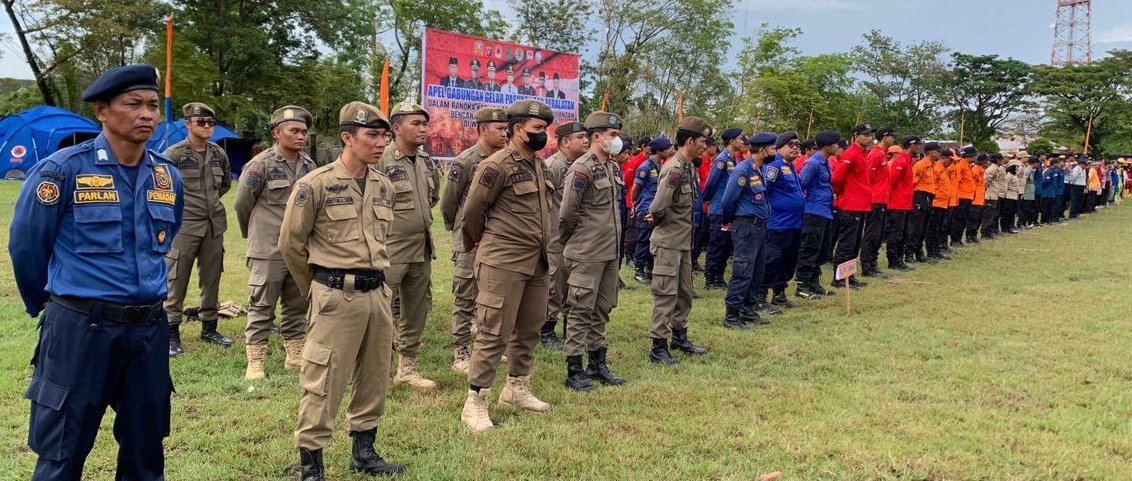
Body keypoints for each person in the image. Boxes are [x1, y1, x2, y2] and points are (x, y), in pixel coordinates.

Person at [10, 64, 183, 480]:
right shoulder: (62, 170)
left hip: (148, 331)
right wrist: (52, 305)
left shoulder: (167, 175)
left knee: (145, 453)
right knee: (62, 451)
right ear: (102, 111)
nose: (147, 114)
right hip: (81, 329)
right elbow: (27, 245)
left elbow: (170, 233)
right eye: (133, 104)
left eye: (152, 105)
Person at [280, 102, 406, 480]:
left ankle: (363, 452)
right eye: (372, 135)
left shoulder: (384, 186)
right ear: (347, 138)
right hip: (335, 294)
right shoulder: (315, 185)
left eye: (384, 136)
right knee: (323, 380)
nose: (381, 143)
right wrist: (320, 289)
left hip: (377, 294)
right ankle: (312, 465)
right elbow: (291, 244)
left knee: (375, 375)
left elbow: (383, 239)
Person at [459, 99, 556, 433]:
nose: (544, 134)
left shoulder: (539, 165)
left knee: (529, 327)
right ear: (517, 129)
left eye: (545, 129)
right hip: (503, 261)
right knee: (493, 332)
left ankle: (516, 388)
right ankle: (475, 401)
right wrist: (486, 247)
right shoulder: (496, 165)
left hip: (537, 261)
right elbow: (472, 211)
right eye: (538, 128)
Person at [235, 105, 316, 380]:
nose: (301, 136)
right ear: (276, 133)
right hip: (267, 248)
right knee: (262, 304)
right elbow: (242, 204)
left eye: (303, 131)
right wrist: (255, 235)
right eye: (294, 131)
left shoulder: (308, 166)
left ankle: (295, 353)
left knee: (297, 302)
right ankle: (256, 359)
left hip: (298, 248)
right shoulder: (260, 165)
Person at [559, 111, 626, 391]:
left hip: (609, 252)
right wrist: (573, 242)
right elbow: (566, 213)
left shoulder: (612, 167)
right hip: (586, 252)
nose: (617, 140)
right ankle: (575, 368)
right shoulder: (581, 168)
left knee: (602, 308)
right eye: (613, 135)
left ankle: (597, 364)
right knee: (580, 310)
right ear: (597, 137)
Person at [439, 107, 508, 374]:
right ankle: (461, 350)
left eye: (506, 129)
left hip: (495, 239)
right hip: (469, 239)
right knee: (465, 295)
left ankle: (484, 347)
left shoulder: (505, 159)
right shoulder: (465, 161)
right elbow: (449, 203)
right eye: (499, 129)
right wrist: (459, 231)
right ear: (482, 130)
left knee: (490, 295)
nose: (505, 134)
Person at [163, 102, 234, 356]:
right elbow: (163, 187)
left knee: (212, 277)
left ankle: (209, 327)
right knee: (177, 279)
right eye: (200, 122)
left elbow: (224, 184)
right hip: (184, 225)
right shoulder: (174, 154)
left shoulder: (218, 153)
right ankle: (171, 332)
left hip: (214, 225)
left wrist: (208, 206)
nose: (206, 126)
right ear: (187, 124)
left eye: (210, 123)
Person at [379, 101, 441, 390]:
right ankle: (377, 369)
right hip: (390, 248)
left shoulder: (427, 161)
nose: (423, 129)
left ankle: (407, 367)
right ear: (396, 128)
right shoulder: (382, 160)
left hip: (421, 246)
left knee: (416, 309)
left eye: (425, 124)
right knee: (380, 309)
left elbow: (433, 198)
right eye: (415, 124)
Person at [645, 117, 712, 365]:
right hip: (668, 242)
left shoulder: (688, 167)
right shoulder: (674, 168)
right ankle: (658, 345)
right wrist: (657, 217)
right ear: (690, 140)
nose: (705, 146)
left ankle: (679, 336)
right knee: (666, 294)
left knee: (684, 292)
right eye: (703, 141)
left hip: (683, 242)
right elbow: (658, 205)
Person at [718, 132, 776, 330]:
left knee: (757, 271)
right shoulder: (742, 170)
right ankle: (732, 315)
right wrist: (729, 222)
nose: (774, 152)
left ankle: (748, 309)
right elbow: (728, 201)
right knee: (742, 271)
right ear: (762, 150)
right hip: (746, 227)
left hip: (759, 227)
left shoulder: (759, 169)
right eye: (772, 149)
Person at [542, 121, 589, 349]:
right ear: (565, 142)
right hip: (556, 237)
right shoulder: (553, 166)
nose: (586, 141)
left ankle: (570, 326)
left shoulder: (582, 166)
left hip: (577, 237)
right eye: (580, 137)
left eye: (586, 136)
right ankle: (546, 329)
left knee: (574, 284)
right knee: (555, 284)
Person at [759, 131, 805, 310]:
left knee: (788, 261)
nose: (795, 148)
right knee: (772, 261)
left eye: (797, 145)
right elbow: (764, 190)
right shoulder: (774, 166)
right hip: (778, 224)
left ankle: (779, 294)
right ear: (779, 148)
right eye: (791, 145)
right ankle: (760, 296)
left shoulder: (791, 166)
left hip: (794, 223)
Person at [793, 131, 839, 299]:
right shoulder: (813, 163)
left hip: (825, 211)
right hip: (813, 212)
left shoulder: (825, 162)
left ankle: (814, 282)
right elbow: (800, 185)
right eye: (835, 143)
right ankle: (802, 285)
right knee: (809, 248)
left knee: (821, 250)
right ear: (827, 146)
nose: (838, 146)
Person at [830, 124, 874, 289]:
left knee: (855, 244)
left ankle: (849, 276)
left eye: (870, 135)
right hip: (850, 204)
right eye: (865, 134)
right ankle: (839, 278)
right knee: (847, 243)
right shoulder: (851, 153)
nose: (869, 138)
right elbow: (836, 178)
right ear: (856, 135)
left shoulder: (862, 153)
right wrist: (842, 193)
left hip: (860, 204)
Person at [702, 127, 744, 290]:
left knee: (726, 246)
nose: (742, 141)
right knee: (716, 245)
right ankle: (710, 278)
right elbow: (711, 183)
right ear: (732, 141)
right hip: (719, 209)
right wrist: (708, 199)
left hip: (729, 210)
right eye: (740, 138)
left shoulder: (733, 159)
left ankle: (719, 276)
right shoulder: (722, 160)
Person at [631, 137, 672, 284]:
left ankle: (649, 269)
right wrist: (635, 203)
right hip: (645, 209)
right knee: (643, 241)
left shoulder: (660, 166)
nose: (669, 151)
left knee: (653, 241)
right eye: (667, 149)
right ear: (659, 150)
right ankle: (638, 270)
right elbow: (635, 189)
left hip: (655, 208)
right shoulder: (645, 167)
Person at [859, 126, 896, 278]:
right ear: (884, 137)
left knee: (878, 234)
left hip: (882, 199)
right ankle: (867, 266)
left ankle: (872, 263)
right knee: (872, 234)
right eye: (891, 136)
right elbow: (869, 178)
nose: (893, 139)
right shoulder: (875, 154)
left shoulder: (882, 154)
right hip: (875, 200)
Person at [886, 137, 917, 271]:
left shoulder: (907, 160)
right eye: (917, 145)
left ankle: (899, 259)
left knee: (903, 233)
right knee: (896, 234)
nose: (919, 147)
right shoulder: (901, 160)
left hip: (905, 203)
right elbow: (891, 180)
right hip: (897, 204)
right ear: (911, 145)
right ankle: (893, 260)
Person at [905, 142, 939, 263]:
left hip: (928, 197)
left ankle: (919, 252)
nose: (939, 153)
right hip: (919, 196)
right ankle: (909, 254)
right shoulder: (921, 165)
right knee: (916, 227)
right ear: (930, 152)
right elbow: (912, 182)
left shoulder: (933, 165)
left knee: (924, 227)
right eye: (937, 151)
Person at [926, 151, 953, 261]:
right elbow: (933, 185)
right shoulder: (937, 168)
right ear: (944, 158)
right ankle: (931, 252)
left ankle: (936, 251)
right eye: (950, 160)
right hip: (936, 203)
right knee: (933, 229)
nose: (951, 162)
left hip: (943, 203)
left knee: (939, 229)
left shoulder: (943, 169)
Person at [948, 147, 977, 247]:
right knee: (959, 219)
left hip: (967, 196)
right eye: (975, 155)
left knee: (963, 219)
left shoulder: (966, 165)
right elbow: (956, 180)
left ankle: (958, 239)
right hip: (962, 196)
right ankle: (955, 240)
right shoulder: (961, 164)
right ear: (970, 156)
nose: (976, 157)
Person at [981, 153, 1007, 239]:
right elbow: (986, 182)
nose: (1003, 161)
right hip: (990, 195)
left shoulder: (996, 168)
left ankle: (989, 232)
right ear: (998, 160)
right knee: (988, 215)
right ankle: (985, 233)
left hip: (994, 194)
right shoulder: (992, 169)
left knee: (992, 215)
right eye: (1001, 159)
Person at [966, 153, 987, 244]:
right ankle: (970, 236)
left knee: (978, 219)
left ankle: (974, 235)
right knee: (973, 218)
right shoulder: (975, 169)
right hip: (975, 199)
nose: (988, 162)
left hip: (980, 198)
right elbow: (972, 183)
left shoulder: (981, 170)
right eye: (987, 161)